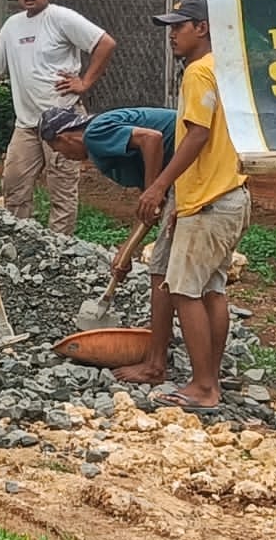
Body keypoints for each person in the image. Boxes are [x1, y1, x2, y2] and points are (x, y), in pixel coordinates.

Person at [129, 0, 250, 409]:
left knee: (183, 290)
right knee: (212, 289)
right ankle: (209, 380)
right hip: (230, 193)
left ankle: (203, 387)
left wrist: (159, 185)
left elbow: (198, 134)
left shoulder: (199, 72)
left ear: (203, 28)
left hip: (209, 201)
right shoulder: (224, 69)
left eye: (179, 27)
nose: (172, 35)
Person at [0, 0, 118, 236]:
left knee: (62, 192)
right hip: (27, 124)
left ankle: (59, 248)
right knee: (14, 185)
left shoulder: (61, 18)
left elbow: (105, 43)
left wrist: (84, 82)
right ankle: (17, 242)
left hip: (64, 121)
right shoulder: (12, 26)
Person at [38, 105, 182, 385]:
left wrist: (154, 190)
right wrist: (127, 250)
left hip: (194, 165)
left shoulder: (95, 134)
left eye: (57, 149)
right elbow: (148, 210)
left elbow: (152, 138)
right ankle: (164, 333)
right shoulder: (103, 139)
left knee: (161, 269)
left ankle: (155, 364)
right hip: (186, 171)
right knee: (169, 261)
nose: (62, 156)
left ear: (64, 137)